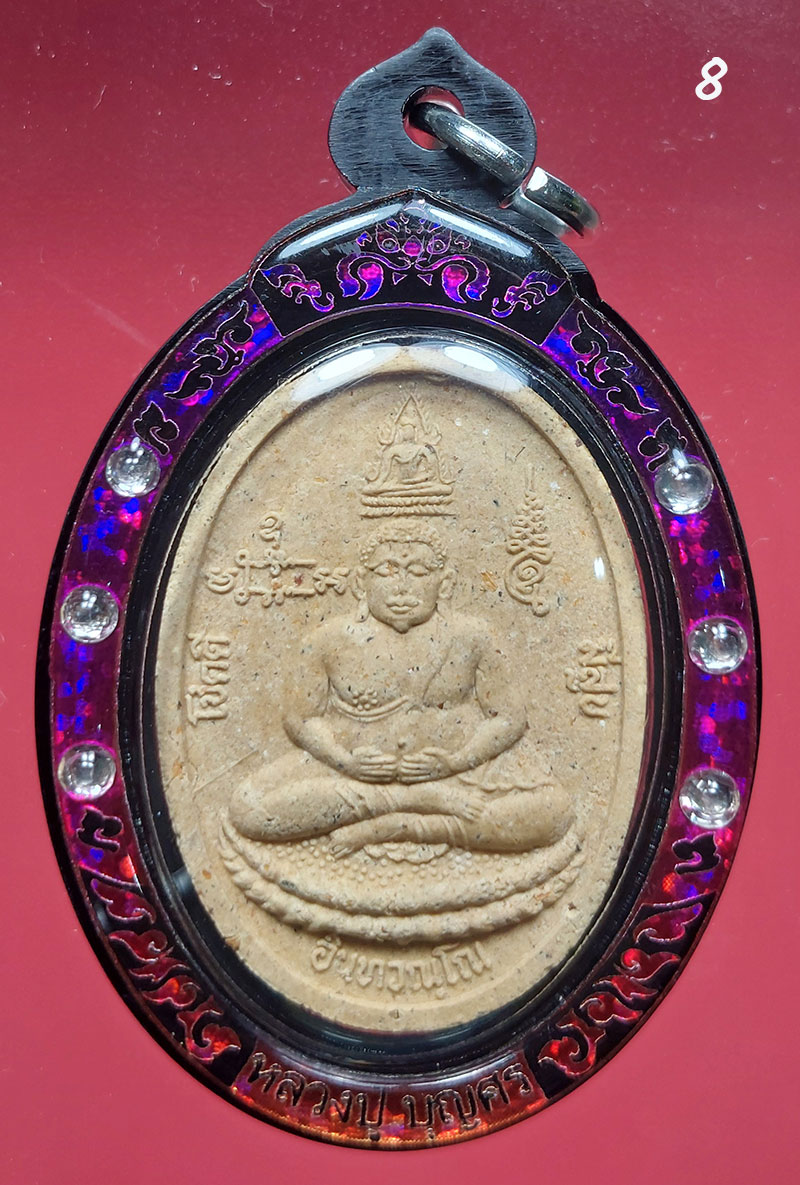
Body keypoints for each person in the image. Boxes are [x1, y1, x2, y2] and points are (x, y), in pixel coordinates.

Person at [229, 520, 573, 856]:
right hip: (354, 774)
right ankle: (411, 801)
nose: (402, 586)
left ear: (445, 584)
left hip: (460, 772)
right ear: (361, 583)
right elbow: (301, 719)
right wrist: (344, 761)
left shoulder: (474, 637)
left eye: (419, 572)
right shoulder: (327, 641)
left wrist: (456, 762)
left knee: (554, 811)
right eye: (387, 570)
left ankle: (407, 826)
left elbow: (508, 718)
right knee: (249, 809)